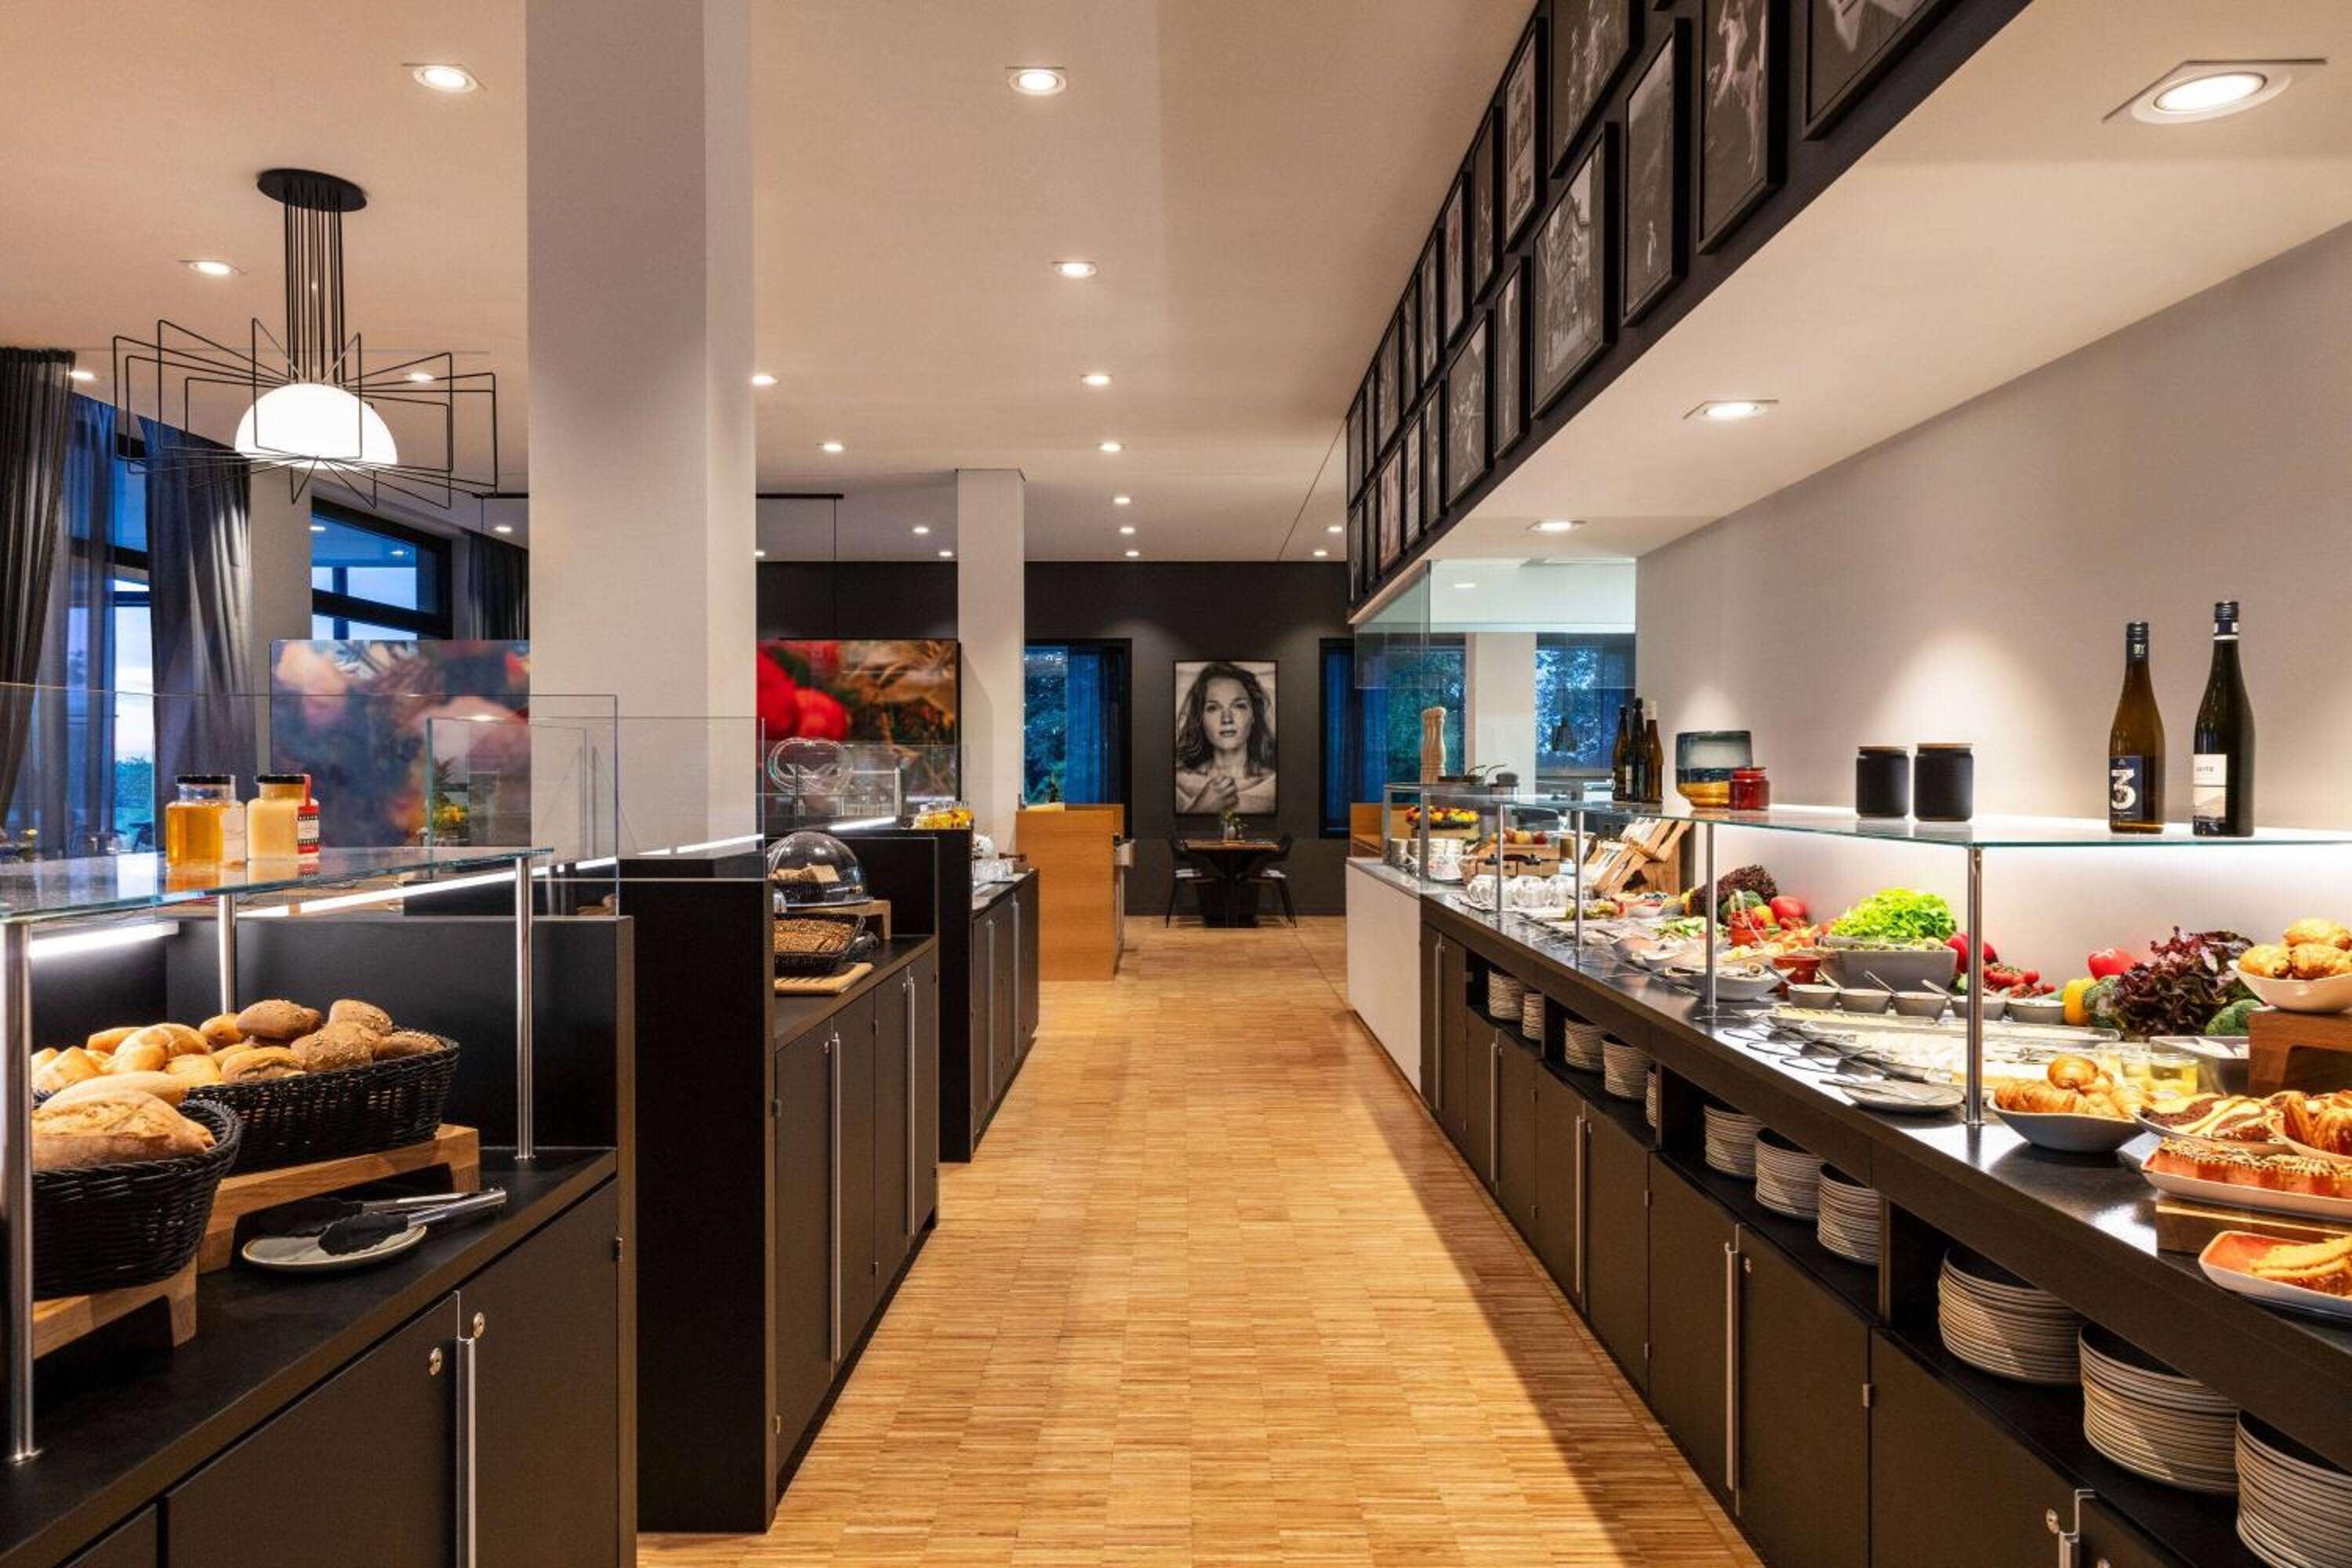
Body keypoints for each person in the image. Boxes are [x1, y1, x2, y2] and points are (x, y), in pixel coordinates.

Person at [1174, 662, 1277, 815]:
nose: (1227, 719)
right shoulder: (1178, 784)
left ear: (1254, 714)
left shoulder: (1274, 785)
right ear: (1200, 719)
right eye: (1213, 708)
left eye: (1239, 706)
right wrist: (1200, 808)